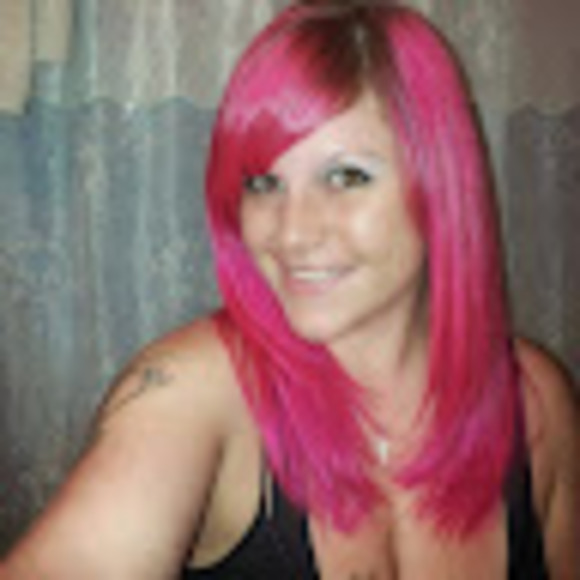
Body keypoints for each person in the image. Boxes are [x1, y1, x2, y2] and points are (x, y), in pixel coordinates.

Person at [1, 1, 578, 578]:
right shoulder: (191, 394)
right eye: (263, 182)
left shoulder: (536, 403)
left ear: (441, 187)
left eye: (346, 176)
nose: (291, 233)